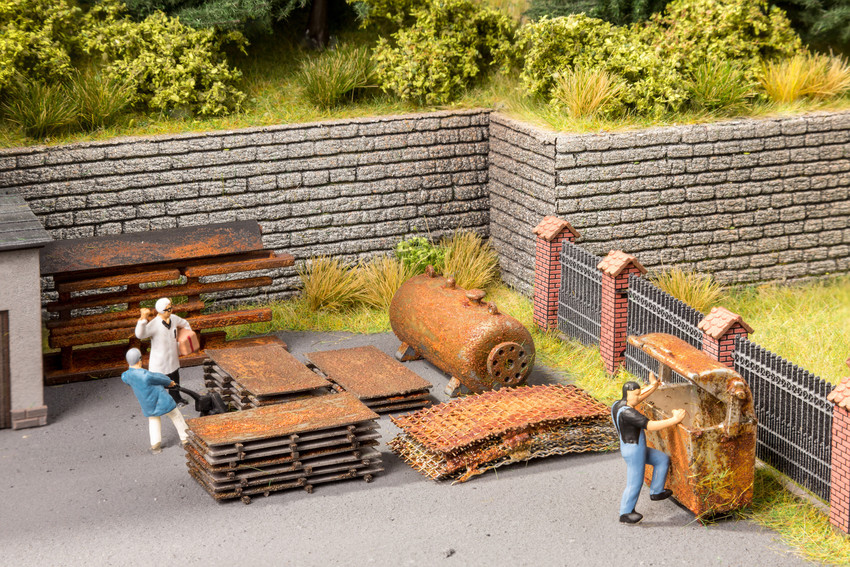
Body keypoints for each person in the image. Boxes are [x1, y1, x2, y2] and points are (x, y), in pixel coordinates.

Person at [612, 372, 686, 524]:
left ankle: (657, 491)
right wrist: (674, 420)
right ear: (628, 395)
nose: (639, 397)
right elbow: (650, 425)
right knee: (635, 482)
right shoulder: (629, 413)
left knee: (661, 459)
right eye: (636, 395)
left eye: (639, 393)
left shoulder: (617, 405)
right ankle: (625, 512)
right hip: (634, 451)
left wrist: (653, 386)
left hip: (635, 447)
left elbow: (639, 396)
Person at [121, 348, 188, 454]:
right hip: (162, 401)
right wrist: (170, 382)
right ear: (139, 360)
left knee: (153, 421)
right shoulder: (146, 375)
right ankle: (185, 439)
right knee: (176, 416)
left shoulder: (126, 376)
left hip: (148, 404)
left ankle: (155, 446)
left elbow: (126, 379)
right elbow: (160, 378)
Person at [135, 297, 192, 406]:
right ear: (161, 311)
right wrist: (143, 319)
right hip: (159, 361)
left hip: (173, 358)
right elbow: (140, 335)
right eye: (167, 309)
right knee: (158, 383)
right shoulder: (154, 324)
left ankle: (176, 398)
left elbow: (185, 323)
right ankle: (157, 401)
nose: (170, 311)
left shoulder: (174, 319)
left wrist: (185, 337)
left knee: (174, 379)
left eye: (171, 308)